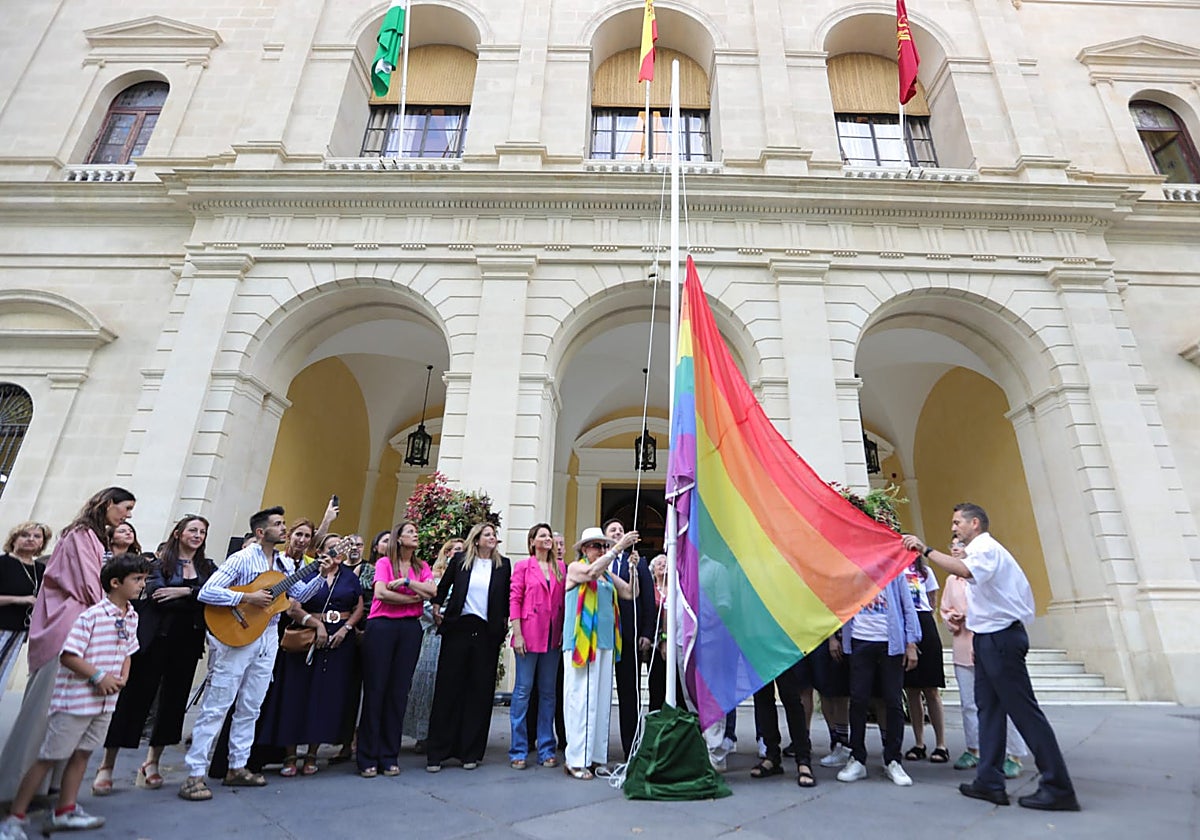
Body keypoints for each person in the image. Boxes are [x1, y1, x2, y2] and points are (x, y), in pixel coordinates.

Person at [903, 503, 1081, 811]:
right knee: (989, 710)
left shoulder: (985, 548)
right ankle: (989, 781)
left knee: (1023, 711)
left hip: (1001, 640)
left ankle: (1057, 785)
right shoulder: (978, 551)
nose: (954, 527)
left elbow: (964, 571)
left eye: (957, 522)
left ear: (975, 523)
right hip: (987, 639)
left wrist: (925, 549)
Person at [177, 506, 329, 802]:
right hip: (238, 635)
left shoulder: (283, 566)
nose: (283, 529)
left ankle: (238, 766)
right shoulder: (243, 558)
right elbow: (207, 591)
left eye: (284, 523)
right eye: (278, 524)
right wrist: (246, 596)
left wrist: (320, 575)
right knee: (218, 704)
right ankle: (194, 774)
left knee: (251, 705)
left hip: (268, 635)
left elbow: (296, 597)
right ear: (261, 532)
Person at [0, 487, 136, 803]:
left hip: (84, 628)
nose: (127, 515)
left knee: (67, 715)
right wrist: (116, 608)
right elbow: (90, 585)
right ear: (107, 504)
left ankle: (48, 787)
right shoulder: (79, 535)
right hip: (67, 628)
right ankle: (16, 790)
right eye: (125, 508)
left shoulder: (95, 537)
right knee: (45, 714)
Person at [0, 553, 147, 839]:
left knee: (82, 754)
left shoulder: (132, 615)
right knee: (50, 756)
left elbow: (129, 650)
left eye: (144, 579)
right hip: (76, 701)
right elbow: (69, 655)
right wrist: (97, 676)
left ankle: (65, 810)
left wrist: (123, 677)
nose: (142, 585)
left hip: (106, 702)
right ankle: (14, 817)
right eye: (137, 579)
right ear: (115, 582)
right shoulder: (91, 615)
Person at [96, 515, 215, 794]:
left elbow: (214, 594)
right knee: (133, 700)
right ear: (178, 533)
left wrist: (184, 591)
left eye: (202, 531)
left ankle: (152, 763)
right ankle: (106, 766)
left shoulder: (207, 567)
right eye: (192, 530)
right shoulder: (157, 564)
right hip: (154, 640)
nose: (198, 535)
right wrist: (193, 597)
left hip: (187, 641)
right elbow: (157, 593)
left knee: (173, 704)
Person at [259, 533, 363, 777]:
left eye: (339, 549)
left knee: (323, 695)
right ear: (320, 552)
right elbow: (292, 606)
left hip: (338, 638)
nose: (336, 553)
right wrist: (315, 625)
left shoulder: (348, 576)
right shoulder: (306, 573)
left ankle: (313, 752)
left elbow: (358, 605)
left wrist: (346, 628)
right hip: (306, 637)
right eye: (331, 548)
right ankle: (290, 754)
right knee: (295, 695)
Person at [426, 522, 511, 772]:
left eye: (494, 535)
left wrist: (505, 624)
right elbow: (443, 588)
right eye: (487, 534)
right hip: (459, 628)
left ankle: (470, 751)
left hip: (487, 633)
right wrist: (436, 606)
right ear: (476, 539)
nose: (492, 538)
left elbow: (506, 597)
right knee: (448, 688)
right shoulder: (461, 560)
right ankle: (437, 751)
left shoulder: (502, 565)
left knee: (479, 692)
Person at [940, 541, 1028, 778]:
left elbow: (993, 606)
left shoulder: (983, 575)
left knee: (1004, 701)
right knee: (969, 702)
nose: (956, 549)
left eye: (960, 546)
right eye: (953, 547)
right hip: (962, 642)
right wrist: (952, 619)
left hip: (988, 641)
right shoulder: (951, 581)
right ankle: (974, 749)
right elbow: (945, 608)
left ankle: (1014, 754)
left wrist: (969, 614)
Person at [357, 521, 434, 778]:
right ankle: (367, 756)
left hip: (409, 630)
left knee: (399, 691)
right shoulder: (384, 563)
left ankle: (389, 755)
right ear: (398, 539)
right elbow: (380, 593)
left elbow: (432, 591)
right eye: (410, 531)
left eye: (416, 531)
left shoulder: (421, 567)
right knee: (376, 689)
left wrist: (406, 583)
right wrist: (414, 598)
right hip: (382, 627)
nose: (415, 535)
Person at [561, 526, 638, 780]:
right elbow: (591, 572)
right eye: (597, 546)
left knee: (601, 702)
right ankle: (575, 759)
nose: (602, 550)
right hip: (583, 643)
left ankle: (594, 758)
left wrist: (632, 569)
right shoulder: (576, 568)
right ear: (584, 548)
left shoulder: (606, 574)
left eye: (604, 546)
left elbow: (630, 592)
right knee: (581, 701)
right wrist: (618, 549)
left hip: (605, 643)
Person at [836, 572, 921, 787]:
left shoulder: (895, 571)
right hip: (860, 640)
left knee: (893, 701)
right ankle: (857, 758)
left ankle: (893, 759)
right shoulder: (852, 569)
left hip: (890, 642)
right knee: (858, 700)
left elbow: (907, 606)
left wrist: (911, 642)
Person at [508, 523, 566, 770]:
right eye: (542, 535)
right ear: (532, 542)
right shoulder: (523, 566)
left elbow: (565, 601)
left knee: (548, 693)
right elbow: (515, 599)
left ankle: (546, 748)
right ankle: (518, 749)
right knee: (522, 691)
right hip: (528, 636)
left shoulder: (560, 567)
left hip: (553, 637)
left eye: (549, 535)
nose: (548, 539)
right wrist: (517, 633)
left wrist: (563, 631)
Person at [601, 519, 654, 759]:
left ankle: (630, 747)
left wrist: (646, 632)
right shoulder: (600, 562)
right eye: (613, 530)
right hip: (601, 636)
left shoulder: (638, 562)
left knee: (629, 692)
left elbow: (647, 601)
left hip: (630, 636)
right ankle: (596, 748)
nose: (618, 532)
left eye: (621, 530)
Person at [403, 537, 461, 752]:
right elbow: (425, 602)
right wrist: (441, 617)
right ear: (447, 553)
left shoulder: (466, 576)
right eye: (455, 550)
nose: (459, 553)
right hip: (433, 633)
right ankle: (422, 733)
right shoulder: (434, 577)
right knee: (426, 683)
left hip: (455, 633)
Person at [902, 557, 949, 764]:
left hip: (924, 621)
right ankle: (919, 742)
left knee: (931, 688)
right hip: (905, 621)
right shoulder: (894, 571)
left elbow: (932, 599)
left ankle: (941, 744)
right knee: (912, 689)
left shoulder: (926, 572)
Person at [0, 522, 51, 700]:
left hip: (19, 631)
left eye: (37, 536)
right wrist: (19, 600)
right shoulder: (3, 562)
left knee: (3, 673)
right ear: (14, 539)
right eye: (25, 535)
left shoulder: (41, 569)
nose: (31, 539)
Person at [751, 659, 817, 788]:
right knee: (762, 697)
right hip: (757, 644)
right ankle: (772, 755)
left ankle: (803, 759)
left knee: (791, 697)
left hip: (782, 644)